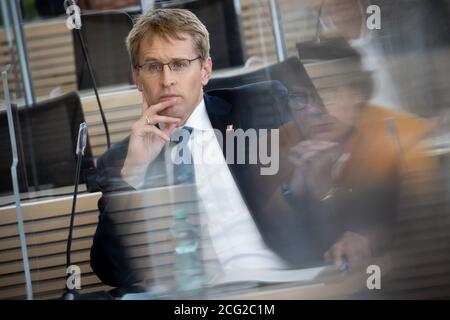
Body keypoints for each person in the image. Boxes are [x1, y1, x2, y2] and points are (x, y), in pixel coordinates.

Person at [90, 8, 294, 289]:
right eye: (153, 66)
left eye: (179, 64)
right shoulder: (120, 162)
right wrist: (134, 172)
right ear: (137, 78)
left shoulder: (258, 108)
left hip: (285, 280)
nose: (166, 80)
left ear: (205, 70)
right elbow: (113, 271)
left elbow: (313, 188)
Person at [238, 50, 438, 271]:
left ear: (357, 93)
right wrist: (294, 188)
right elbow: (260, 244)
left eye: (327, 92)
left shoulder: (395, 138)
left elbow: (419, 230)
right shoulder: (274, 149)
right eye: (300, 98)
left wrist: (369, 239)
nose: (314, 110)